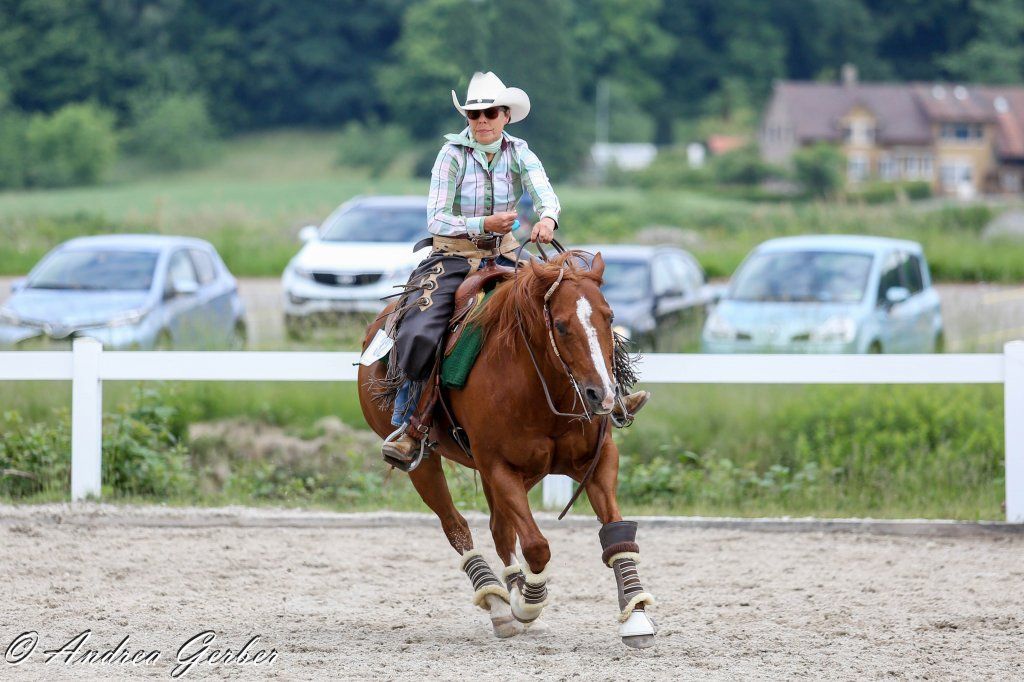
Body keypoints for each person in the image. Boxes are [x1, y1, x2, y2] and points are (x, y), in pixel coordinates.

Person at [381, 71, 649, 464]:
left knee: (579, 307)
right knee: (421, 328)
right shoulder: (451, 155)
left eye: (490, 112)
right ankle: (410, 424)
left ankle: (613, 393)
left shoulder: (520, 151)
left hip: (507, 253)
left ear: (506, 115)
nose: (483, 121)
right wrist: (481, 225)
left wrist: (547, 221)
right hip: (453, 256)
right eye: (475, 115)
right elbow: (437, 219)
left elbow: (546, 195)